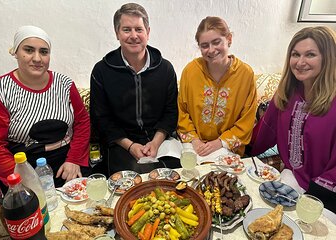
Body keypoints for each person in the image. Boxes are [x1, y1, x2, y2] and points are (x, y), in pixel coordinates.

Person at [0, 26, 91, 193]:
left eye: (44, 52)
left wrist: (74, 159)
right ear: (15, 52)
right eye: (29, 50)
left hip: (67, 162)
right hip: (22, 166)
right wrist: (20, 178)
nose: (37, 58)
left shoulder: (64, 84)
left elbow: (82, 122)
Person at [251, 26, 336, 213]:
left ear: (328, 59)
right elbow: (264, 133)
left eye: (310, 55)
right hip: (294, 176)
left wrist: (313, 196)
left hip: (328, 192)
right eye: (295, 54)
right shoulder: (286, 94)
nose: (300, 62)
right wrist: (239, 151)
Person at [90, 3, 180, 176]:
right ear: (117, 33)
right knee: (133, 184)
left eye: (139, 29)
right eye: (126, 29)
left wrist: (155, 142)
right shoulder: (102, 71)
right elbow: (101, 119)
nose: (133, 36)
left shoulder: (165, 69)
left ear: (148, 32)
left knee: (175, 181)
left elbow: (171, 113)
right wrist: (130, 146)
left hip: (160, 141)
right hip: (121, 143)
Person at [177, 16, 257, 158]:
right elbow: (181, 112)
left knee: (220, 178)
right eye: (204, 45)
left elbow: (247, 121)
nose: (211, 50)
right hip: (193, 144)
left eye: (216, 42)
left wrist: (219, 143)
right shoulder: (190, 71)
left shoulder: (245, 74)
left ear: (229, 39)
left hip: (226, 147)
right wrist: (195, 141)